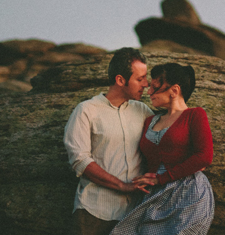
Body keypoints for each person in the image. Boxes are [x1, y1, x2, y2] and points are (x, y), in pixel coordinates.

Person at [111, 62, 215, 235]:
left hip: (188, 193)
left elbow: (204, 156)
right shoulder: (150, 121)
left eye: (154, 87)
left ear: (174, 90)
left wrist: (161, 178)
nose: (149, 91)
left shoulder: (194, 115)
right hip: (154, 195)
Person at [64, 48, 156, 235]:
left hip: (134, 214)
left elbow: (161, 145)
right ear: (120, 80)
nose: (146, 84)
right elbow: (79, 160)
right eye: (140, 79)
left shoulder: (144, 111)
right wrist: (122, 185)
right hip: (93, 213)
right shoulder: (86, 111)